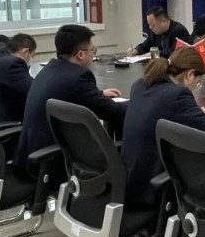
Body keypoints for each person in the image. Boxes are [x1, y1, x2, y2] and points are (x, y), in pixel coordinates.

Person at [122, 47, 205, 207]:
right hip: (152, 189)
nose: (195, 87)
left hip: (130, 179)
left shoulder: (140, 85)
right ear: (190, 74)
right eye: (197, 82)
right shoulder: (177, 95)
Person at [14, 24, 127, 170]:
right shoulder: (79, 77)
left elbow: (71, 93)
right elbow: (112, 111)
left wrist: (98, 94)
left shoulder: (50, 69)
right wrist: (140, 103)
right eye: (93, 51)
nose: (93, 55)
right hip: (54, 162)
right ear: (80, 55)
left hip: (31, 157)